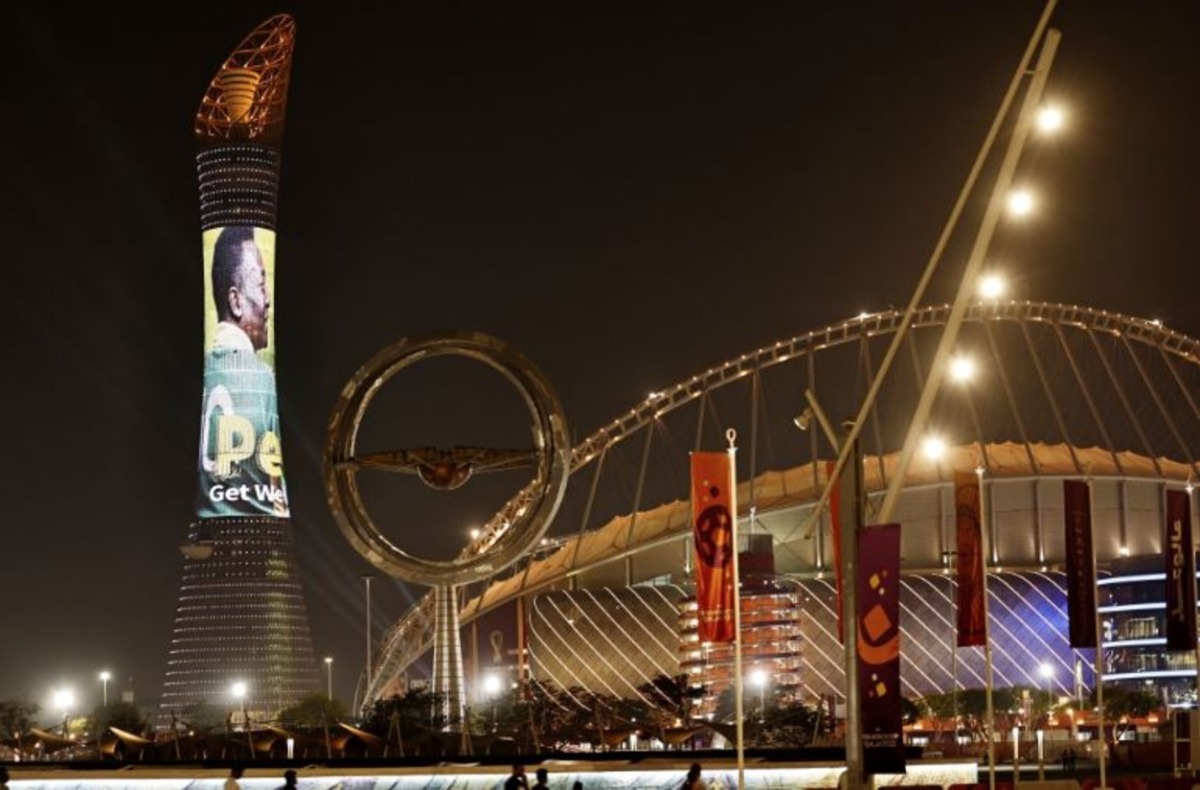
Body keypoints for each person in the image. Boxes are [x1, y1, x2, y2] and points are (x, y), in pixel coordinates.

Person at [197, 225, 289, 519]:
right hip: (259, 536)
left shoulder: (214, 368)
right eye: (262, 286)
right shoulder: (259, 378)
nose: (268, 300)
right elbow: (274, 499)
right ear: (235, 301)